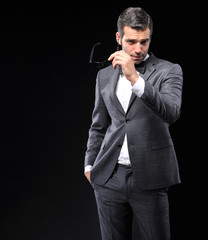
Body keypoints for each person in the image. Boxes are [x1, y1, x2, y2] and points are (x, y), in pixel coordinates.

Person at [84, 7, 183, 240]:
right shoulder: (104, 75)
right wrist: (89, 165)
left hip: (150, 178)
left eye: (144, 41)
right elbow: (98, 125)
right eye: (131, 41)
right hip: (109, 176)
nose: (138, 49)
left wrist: (135, 78)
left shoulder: (169, 70)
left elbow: (171, 112)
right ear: (118, 38)